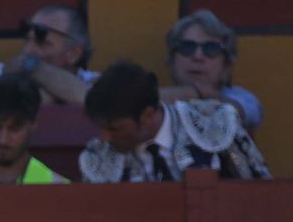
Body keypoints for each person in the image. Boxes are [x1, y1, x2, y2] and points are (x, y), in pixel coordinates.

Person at [79, 59, 269, 183]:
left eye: (114, 129)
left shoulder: (214, 122)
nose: (104, 138)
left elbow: (258, 189)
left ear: (147, 116)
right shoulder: (99, 157)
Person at [160, 10, 261, 132]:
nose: (198, 56)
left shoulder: (244, 99)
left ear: (226, 66)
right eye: (187, 47)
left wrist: (198, 92)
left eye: (211, 49)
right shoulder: (157, 95)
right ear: (171, 60)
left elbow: (233, 114)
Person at [0, 4, 98, 106]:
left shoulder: (98, 82)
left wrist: (31, 65)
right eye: (28, 40)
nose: (28, 50)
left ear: (74, 54)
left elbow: (94, 101)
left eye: (42, 43)